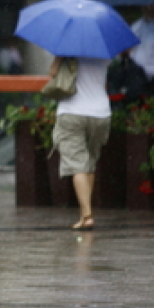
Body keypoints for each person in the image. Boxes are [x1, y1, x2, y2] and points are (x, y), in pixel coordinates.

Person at [49, 56, 111, 230]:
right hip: (100, 113)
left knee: (77, 165)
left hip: (72, 111)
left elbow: (53, 73)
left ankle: (87, 215)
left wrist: (59, 58)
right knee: (89, 163)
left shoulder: (67, 51)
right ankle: (85, 214)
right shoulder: (103, 54)